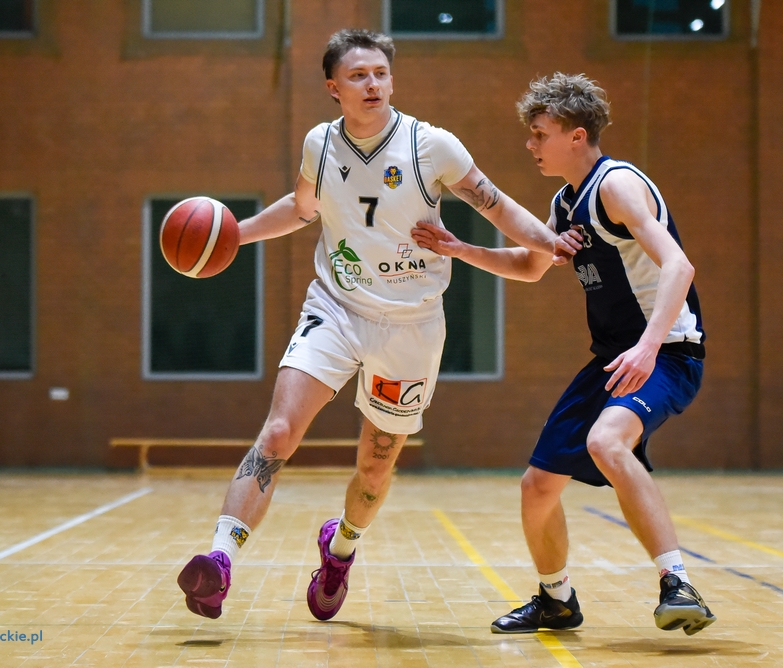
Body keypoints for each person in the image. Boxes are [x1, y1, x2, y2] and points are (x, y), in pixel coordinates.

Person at [176, 29, 555, 622]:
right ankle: (219, 561)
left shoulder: (432, 146)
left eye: (380, 73)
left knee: (374, 470)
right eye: (358, 76)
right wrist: (233, 235)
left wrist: (552, 242)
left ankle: (341, 549)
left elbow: (498, 205)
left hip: (410, 326)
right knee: (279, 432)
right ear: (334, 88)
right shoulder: (320, 145)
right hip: (336, 307)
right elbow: (302, 209)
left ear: (392, 80)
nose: (372, 84)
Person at [412, 72, 715, 636]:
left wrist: (648, 348)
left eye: (540, 133)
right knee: (537, 486)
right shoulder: (566, 201)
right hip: (613, 359)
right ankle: (557, 600)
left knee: (605, 441)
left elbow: (679, 265)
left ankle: (677, 583)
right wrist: (460, 249)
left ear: (577, 136)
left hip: (668, 351)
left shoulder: (616, 186)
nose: (530, 144)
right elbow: (531, 267)